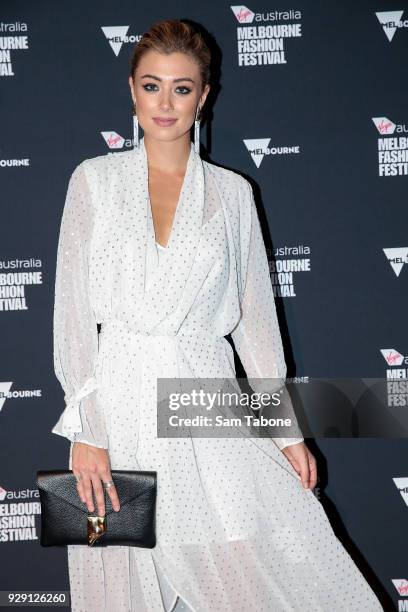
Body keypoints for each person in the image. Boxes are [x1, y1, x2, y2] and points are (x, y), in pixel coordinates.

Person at [51, 18, 383, 612]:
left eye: (182, 88)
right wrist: (86, 431)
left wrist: (286, 432)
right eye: (152, 85)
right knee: (117, 588)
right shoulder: (93, 183)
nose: (166, 102)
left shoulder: (233, 195)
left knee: (254, 567)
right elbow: (72, 319)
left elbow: (255, 326)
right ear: (131, 89)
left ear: (204, 96)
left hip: (201, 400)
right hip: (119, 403)